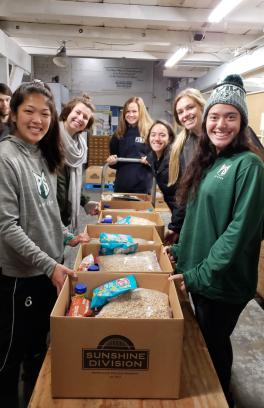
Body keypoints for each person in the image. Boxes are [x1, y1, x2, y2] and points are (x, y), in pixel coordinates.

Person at [169, 74, 264, 407]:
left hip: (222, 282)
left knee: (214, 348)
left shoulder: (248, 165)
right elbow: (196, 218)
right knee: (205, 343)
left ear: (241, 123)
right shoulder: (209, 162)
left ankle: (221, 399)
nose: (220, 124)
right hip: (200, 275)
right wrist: (179, 251)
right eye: (215, 116)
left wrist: (197, 274)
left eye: (230, 116)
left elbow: (238, 233)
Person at [0, 81, 89, 407]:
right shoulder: (6, 158)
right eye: (29, 111)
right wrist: (50, 264)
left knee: (38, 349)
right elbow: (6, 227)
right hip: (18, 278)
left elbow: (48, 211)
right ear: (13, 113)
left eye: (44, 113)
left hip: (46, 271)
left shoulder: (44, 155)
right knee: (11, 355)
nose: (37, 119)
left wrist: (66, 236)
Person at [165, 88, 206, 244]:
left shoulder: (219, 138)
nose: (185, 114)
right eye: (180, 112)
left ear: (201, 106)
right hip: (196, 216)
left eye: (190, 107)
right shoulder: (183, 146)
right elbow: (183, 190)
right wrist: (176, 227)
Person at [57, 94, 98, 232]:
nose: (80, 118)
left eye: (85, 117)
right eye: (77, 112)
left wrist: (85, 202)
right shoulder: (51, 138)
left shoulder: (80, 145)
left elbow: (73, 181)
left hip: (65, 213)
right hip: (48, 214)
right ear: (68, 112)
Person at [106, 96, 153, 194]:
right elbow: (114, 161)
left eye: (134, 111)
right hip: (121, 185)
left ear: (141, 112)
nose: (130, 115)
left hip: (142, 187)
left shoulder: (150, 132)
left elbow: (158, 159)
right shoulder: (118, 134)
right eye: (127, 111)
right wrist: (112, 161)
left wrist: (151, 160)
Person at [145, 118, 177, 214]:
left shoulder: (173, 160)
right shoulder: (154, 156)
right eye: (153, 135)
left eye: (162, 135)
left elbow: (179, 199)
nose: (157, 139)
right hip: (175, 209)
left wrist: (175, 226)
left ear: (170, 138)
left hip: (185, 212)